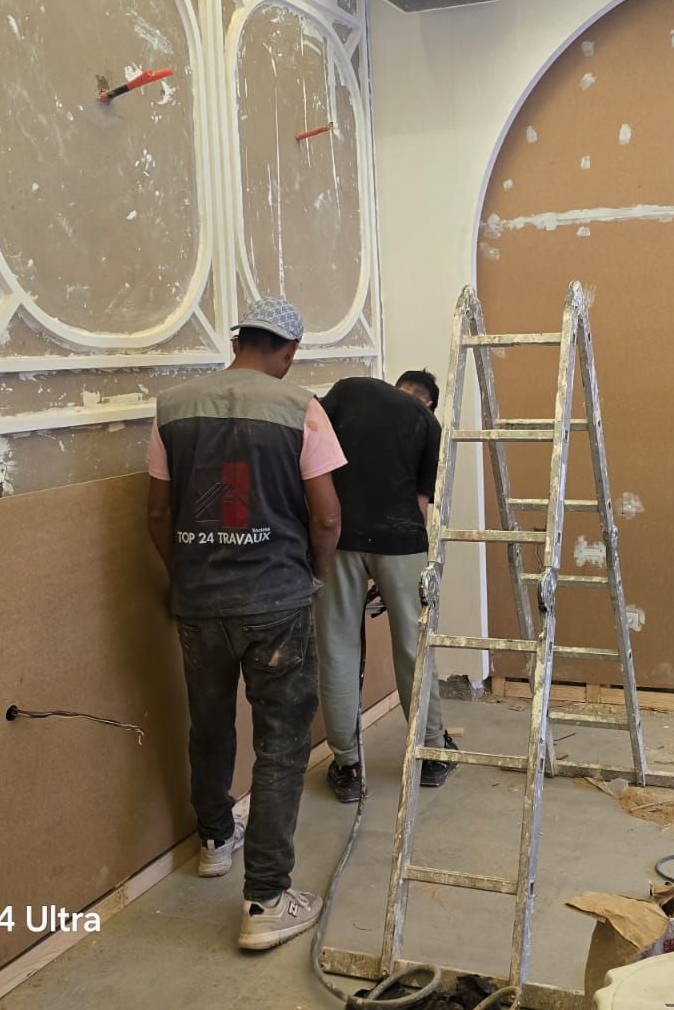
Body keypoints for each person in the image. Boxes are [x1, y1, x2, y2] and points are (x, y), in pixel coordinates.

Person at [145, 296, 347, 951]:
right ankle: (265, 898)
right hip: (277, 601)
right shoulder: (301, 408)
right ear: (288, 350)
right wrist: (314, 575)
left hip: (200, 604)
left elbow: (157, 514)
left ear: (238, 340)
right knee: (282, 744)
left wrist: (184, 577)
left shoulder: (173, 407)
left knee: (209, 725)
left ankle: (213, 841)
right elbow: (326, 517)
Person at [315, 369, 456, 802]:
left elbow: (310, 446)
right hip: (400, 541)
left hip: (338, 536)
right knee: (414, 645)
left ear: (397, 385)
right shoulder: (427, 422)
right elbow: (420, 503)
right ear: (428, 401)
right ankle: (430, 754)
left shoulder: (350, 390)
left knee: (338, 646)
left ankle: (348, 766)